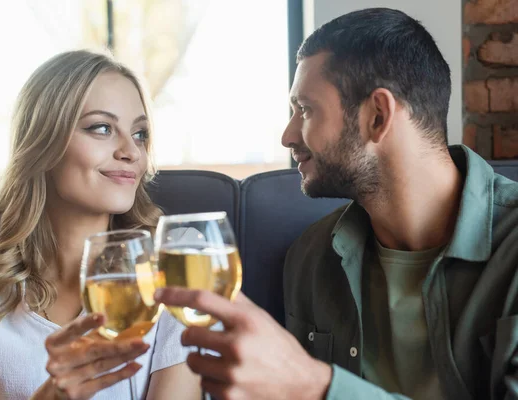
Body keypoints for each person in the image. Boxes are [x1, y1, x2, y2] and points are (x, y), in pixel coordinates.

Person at [155, 8, 518, 400]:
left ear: (378, 116)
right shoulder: (312, 258)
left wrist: (316, 386)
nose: (288, 135)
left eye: (305, 110)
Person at [0, 50, 201, 400]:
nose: (131, 151)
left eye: (140, 133)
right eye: (102, 128)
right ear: (43, 142)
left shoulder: (177, 273)